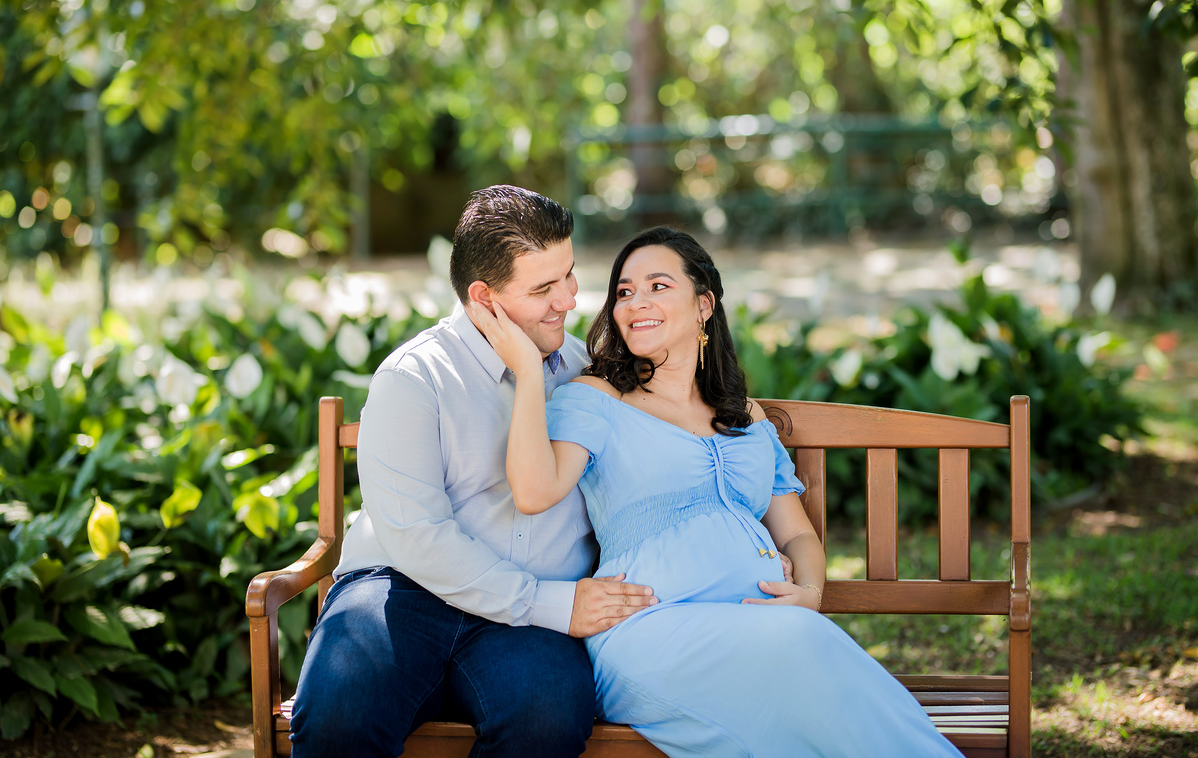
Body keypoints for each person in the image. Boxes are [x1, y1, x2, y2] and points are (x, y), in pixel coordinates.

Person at [470, 226, 964, 757]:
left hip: (764, 632)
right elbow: (534, 492)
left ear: (704, 305)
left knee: (821, 676)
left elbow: (796, 534)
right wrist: (527, 371)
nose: (636, 303)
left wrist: (810, 593)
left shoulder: (746, 417)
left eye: (658, 286)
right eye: (624, 291)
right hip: (651, 631)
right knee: (810, 653)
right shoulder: (597, 399)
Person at [289, 186, 657, 758]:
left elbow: (650, 479)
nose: (569, 299)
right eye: (543, 288)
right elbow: (417, 537)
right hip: (403, 591)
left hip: (529, 623)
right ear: (484, 297)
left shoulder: (589, 375)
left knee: (547, 719)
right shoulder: (414, 378)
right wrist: (547, 602)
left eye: (568, 274)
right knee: (339, 717)